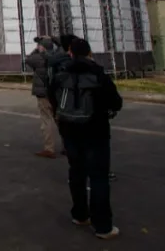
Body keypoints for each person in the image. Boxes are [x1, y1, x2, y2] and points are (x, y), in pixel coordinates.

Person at [48, 38, 123, 240]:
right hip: (95, 132)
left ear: (70, 53)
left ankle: (80, 215)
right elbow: (116, 102)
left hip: (70, 132)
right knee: (98, 178)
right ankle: (103, 226)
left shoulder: (61, 73)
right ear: (90, 53)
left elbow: (52, 98)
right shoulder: (98, 74)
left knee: (77, 174)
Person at [26, 35, 69, 158]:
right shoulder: (58, 56)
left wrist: (38, 48)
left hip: (43, 93)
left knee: (46, 120)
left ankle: (49, 148)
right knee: (59, 119)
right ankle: (67, 145)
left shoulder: (37, 58)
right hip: (56, 93)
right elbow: (62, 46)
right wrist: (53, 38)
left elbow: (28, 59)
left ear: (42, 47)